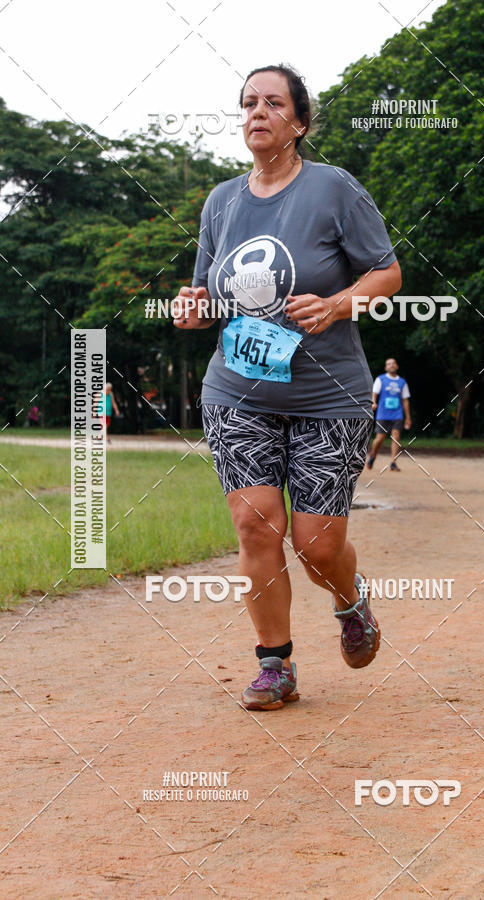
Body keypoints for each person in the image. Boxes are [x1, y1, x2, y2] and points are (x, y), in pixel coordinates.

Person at [173, 63, 402, 711]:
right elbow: (209, 291)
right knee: (255, 526)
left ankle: (350, 601)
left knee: (316, 543)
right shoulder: (221, 201)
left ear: (299, 123)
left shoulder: (333, 190)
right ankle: (274, 664)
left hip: (328, 395)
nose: (258, 112)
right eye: (249, 103)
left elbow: (387, 274)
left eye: (274, 103)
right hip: (238, 391)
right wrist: (195, 307)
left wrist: (336, 305)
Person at [366, 359, 411, 471]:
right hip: (383, 414)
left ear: (397, 366)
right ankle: (373, 454)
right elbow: (374, 393)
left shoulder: (402, 382)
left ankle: (393, 463)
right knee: (380, 438)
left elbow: (405, 400)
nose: (391, 365)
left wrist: (408, 417)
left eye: (393, 363)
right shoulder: (380, 379)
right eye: (389, 364)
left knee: (396, 437)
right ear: (386, 368)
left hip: (397, 414)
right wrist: (373, 402)